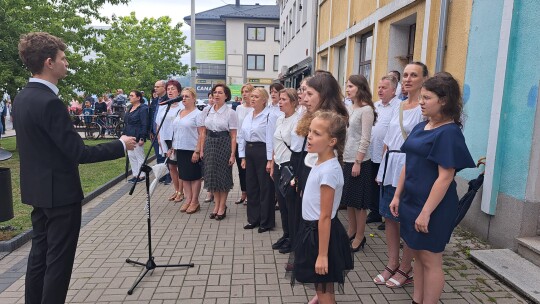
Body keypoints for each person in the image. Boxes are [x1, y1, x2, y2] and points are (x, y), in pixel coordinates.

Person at [14, 32, 136, 304]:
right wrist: (120, 144)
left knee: (38, 257)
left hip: (37, 191)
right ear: (49, 62)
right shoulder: (50, 102)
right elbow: (78, 152)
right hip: (60, 194)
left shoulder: (22, 98)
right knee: (58, 262)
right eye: (63, 58)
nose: (66, 63)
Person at [390, 72, 475, 303]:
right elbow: (409, 164)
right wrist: (397, 195)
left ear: (444, 100)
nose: (421, 101)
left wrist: (426, 213)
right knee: (418, 257)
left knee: (430, 260)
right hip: (411, 202)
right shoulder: (421, 127)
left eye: (427, 98)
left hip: (433, 209)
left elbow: (445, 177)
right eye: (421, 97)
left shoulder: (449, 133)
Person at [373, 62, 428, 288]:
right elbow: (388, 139)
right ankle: (392, 263)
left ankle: (406, 268)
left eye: (413, 75)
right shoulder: (398, 106)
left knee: (406, 220)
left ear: (424, 79)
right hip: (390, 165)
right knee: (389, 218)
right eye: (405, 75)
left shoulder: (424, 109)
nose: (407, 79)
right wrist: (381, 171)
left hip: (409, 167)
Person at [291, 110, 353, 304]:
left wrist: (322, 255)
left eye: (317, 133)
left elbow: (325, 216)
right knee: (322, 286)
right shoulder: (321, 162)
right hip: (312, 229)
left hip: (320, 234)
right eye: (310, 131)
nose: (309, 136)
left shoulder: (329, 171)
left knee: (324, 287)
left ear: (332, 141)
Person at [341, 75, 376, 252]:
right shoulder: (350, 107)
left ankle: (360, 236)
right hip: (347, 158)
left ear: (360, 88)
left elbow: (365, 138)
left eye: (351, 86)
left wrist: (358, 162)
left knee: (360, 202)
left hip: (360, 161)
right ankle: (351, 230)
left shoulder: (366, 110)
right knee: (349, 199)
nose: (347, 89)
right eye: (347, 86)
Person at [239, 88, 278, 232]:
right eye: (251, 96)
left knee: (265, 187)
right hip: (250, 152)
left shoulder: (269, 116)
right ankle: (253, 219)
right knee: (252, 187)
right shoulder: (249, 115)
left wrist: (270, 160)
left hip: (262, 151)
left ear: (264, 100)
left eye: (256, 97)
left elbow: (270, 139)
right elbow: (242, 136)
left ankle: (266, 221)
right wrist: (242, 156)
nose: (252, 99)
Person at [200, 84, 238, 220]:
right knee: (212, 176)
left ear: (226, 96)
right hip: (210, 143)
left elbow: (233, 135)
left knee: (223, 176)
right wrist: (202, 149)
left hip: (224, 144)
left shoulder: (231, 112)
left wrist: (233, 154)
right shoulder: (207, 110)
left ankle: (222, 206)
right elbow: (203, 132)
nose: (216, 95)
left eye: (220, 93)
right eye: (215, 92)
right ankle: (216, 205)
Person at [366, 75, 401, 225]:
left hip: (387, 154)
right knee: (374, 184)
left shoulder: (399, 106)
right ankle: (375, 212)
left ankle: (387, 215)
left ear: (393, 90)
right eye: (379, 87)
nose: (380, 90)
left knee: (386, 186)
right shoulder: (376, 105)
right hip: (373, 151)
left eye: (384, 87)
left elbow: (393, 131)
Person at [271, 88, 300, 253]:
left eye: (283, 100)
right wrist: (273, 162)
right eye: (279, 99)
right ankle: (286, 234)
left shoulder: (298, 120)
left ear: (294, 102)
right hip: (279, 165)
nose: (280, 102)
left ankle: (293, 239)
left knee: (291, 205)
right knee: (282, 204)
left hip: (290, 165)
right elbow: (276, 143)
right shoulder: (280, 118)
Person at [172, 87, 204, 214]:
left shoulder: (198, 114)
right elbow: (176, 130)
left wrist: (197, 151)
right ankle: (188, 199)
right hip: (180, 148)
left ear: (194, 99)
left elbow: (202, 134)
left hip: (192, 149)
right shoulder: (179, 112)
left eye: (187, 96)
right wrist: (173, 146)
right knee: (184, 176)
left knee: (194, 176)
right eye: (182, 96)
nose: (183, 98)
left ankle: (195, 201)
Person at [157, 80, 185, 202]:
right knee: (171, 166)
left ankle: (181, 192)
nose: (170, 91)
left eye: (173, 89)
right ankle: (176, 190)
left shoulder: (182, 106)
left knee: (180, 166)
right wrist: (159, 139)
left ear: (178, 91)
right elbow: (158, 123)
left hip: (178, 140)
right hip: (165, 139)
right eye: (168, 89)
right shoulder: (163, 105)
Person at [233, 84, 255, 205]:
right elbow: (237, 126)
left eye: (247, 91)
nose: (245, 94)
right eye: (243, 92)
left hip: (251, 143)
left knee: (250, 170)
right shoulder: (239, 108)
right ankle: (244, 192)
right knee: (241, 170)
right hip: (239, 142)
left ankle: (251, 194)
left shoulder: (255, 109)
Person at [123, 90, 148, 183]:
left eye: (132, 95)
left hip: (137, 135)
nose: (130, 97)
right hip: (129, 135)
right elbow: (127, 122)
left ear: (138, 97)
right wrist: (124, 134)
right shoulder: (130, 107)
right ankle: (135, 174)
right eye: (130, 95)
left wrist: (142, 137)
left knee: (139, 155)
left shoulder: (143, 108)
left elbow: (144, 123)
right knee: (131, 155)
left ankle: (142, 175)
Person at [151, 80, 172, 185]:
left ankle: (169, 176)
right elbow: (153, 117)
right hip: (155, 132)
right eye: (155, 86)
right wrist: (151, 130)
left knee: (166, 155)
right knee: (159, 155)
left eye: (157, 86)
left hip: (165, 133)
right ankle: (161, 175)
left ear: (164, 87)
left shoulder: (168, 101)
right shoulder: (155, 101)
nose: (155, 88)